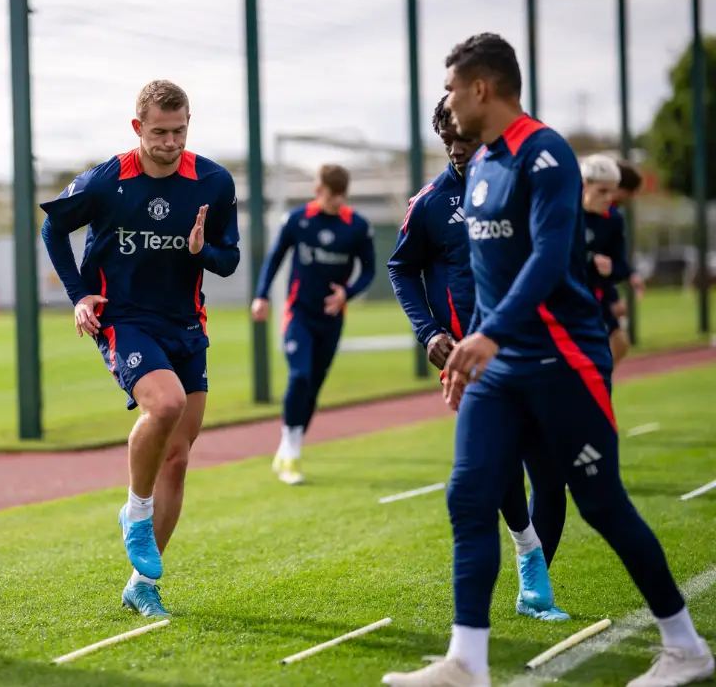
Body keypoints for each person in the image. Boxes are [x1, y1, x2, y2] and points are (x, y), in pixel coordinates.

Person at [382, 32, 712, 687]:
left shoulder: (547, 155)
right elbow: (487, 275)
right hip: (498, 367)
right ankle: (465, 662)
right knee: (468, 496)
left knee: (602, 504)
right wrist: (468, 351)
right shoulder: (476, 169)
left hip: (564, 359)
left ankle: (686, 646)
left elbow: (545, 261)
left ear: (481, 88)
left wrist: (489, 336)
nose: (446, 103)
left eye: (451, 88)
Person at [39, 80, 240, 619]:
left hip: (185, 326)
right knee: (165, 404)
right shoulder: (107, 180)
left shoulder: (214, 182)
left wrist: (204, 251)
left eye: (180, 131)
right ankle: (136, 510)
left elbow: (230, 259)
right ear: (137, 128)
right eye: (159, 132)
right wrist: (80, 295)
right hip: (123, 320)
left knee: (177, 456)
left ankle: (141, 585)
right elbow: (52, 230)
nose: (171, 143)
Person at [387, 97, 565, 623]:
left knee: (551, 478)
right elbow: (401, 268)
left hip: (537, 347)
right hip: (470, 356)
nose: (458, 151)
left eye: (466, 139)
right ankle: (530, 559)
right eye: (449, 142)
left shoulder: (528, 183)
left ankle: (535, 577)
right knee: (498, 460)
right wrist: (428, 333)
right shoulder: (430, 204)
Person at [250, 164, 375, 486]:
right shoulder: (297, 219)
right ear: (318, 190)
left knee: (314, 387)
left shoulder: (357, 226)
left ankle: (289, 448)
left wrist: (347, 294)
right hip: (299, 315)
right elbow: (275, 257)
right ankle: (291, 452)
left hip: (331, 320)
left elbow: (370, 271)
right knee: (300, 375)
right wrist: (262, 296)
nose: (333, 202)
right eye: (328, 195)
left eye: (339, 197)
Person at [580, 154, 636, 368]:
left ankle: (596, 388)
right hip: (567, 299)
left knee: (619, 345)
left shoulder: (613, 219)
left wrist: (611, 269)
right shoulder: (566, 215)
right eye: (601, 191)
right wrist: (591, 260)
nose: (608, 198)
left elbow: (620, 266)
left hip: (596, 298)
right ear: (584, 186)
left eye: (612, 191)